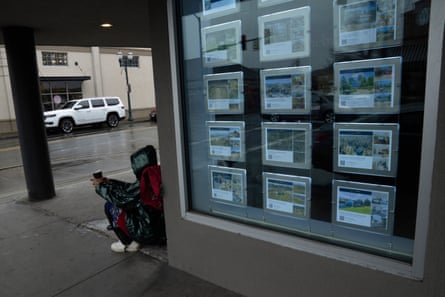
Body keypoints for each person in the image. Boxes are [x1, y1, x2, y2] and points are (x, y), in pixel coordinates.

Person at [91, 145, 166, 253]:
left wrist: (100, 186)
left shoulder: (143, 183)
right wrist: (110, 182)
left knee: (110, 206)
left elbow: (121, 199)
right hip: (158, 228)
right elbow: (130, 190)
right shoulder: (154, 176)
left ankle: (127, 242)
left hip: (147, 231)